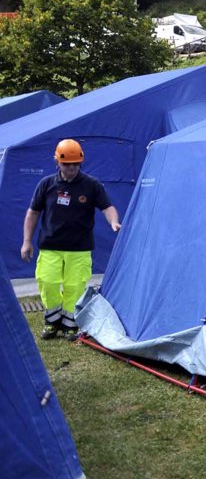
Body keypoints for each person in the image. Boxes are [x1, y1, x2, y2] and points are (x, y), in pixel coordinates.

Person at [21, 139, 120, 339]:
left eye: (76, 164)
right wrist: (26, 241)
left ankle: (70, 322)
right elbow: (33, 213)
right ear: (57, 162)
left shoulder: (92, 185)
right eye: (67, 164)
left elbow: (107, 207)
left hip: (80, 248)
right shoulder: (46, 184)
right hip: (50, 246)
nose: (72, 168)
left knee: (74, 286)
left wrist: (113, 221)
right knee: (47, 282)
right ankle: (52, 320)